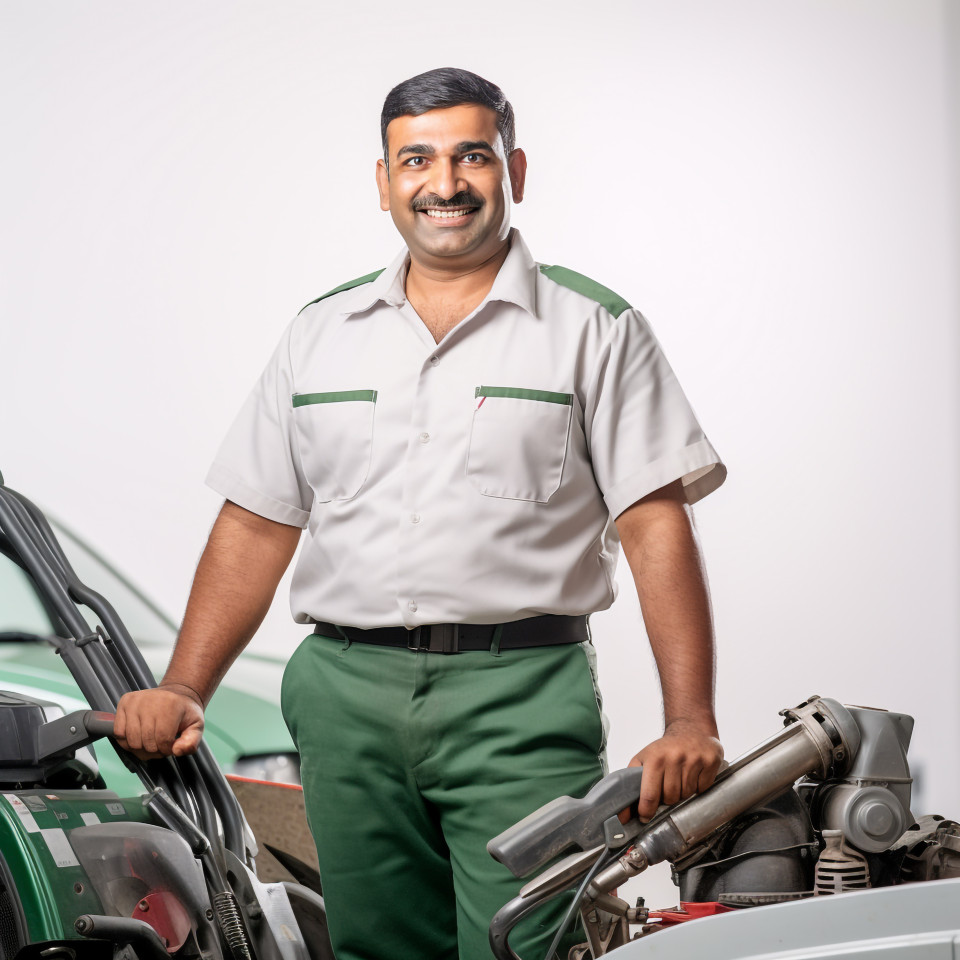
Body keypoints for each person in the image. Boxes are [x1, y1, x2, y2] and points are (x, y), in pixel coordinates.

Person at [114, 67, 726, 960]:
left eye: (471, 156)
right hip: (345, 697)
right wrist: (183, 687)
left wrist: (690, 719)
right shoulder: (320, 334)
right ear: (384, 180)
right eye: (418, 160)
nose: (444, 184)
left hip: (520, 696)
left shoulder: (595, 327)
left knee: (527, 945)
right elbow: (258, 522)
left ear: (515, 168)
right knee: (374, 949)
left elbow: (656, 525)